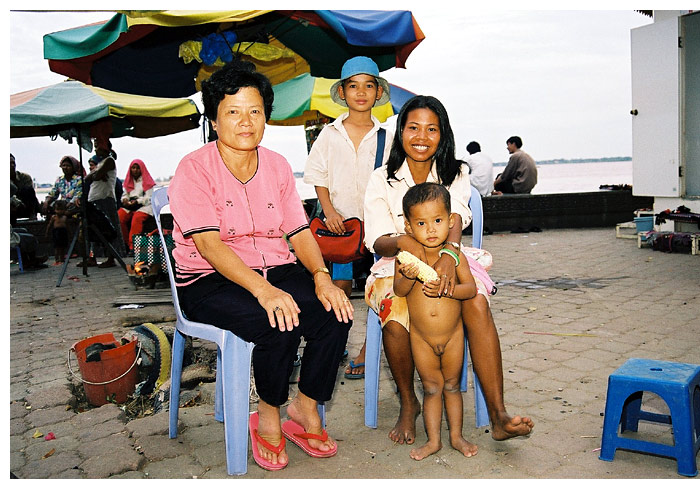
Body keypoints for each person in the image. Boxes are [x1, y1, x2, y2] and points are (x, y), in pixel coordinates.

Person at [168, 58, 353, 471]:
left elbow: (299, 231)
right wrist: (263, 290)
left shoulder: (276, 166)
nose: (245, 121)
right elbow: (210, 246)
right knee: (277, 321)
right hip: (208, 279)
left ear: (266, 116)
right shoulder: (194, 169)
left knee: (335, 312)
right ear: (215, 121)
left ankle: (305, 409)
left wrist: (322, 278)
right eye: (232, 112)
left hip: (276, 268)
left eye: (254, 111)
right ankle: (267, 414)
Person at [364, 95, 534, 445]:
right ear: (401, 132)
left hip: (451, 255)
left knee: (477, 303)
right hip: (396, 265)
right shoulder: (382, 179)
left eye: (432, 129)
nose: (422, 136)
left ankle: (499, 414)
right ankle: (408, 404)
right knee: (395, 317)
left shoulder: (456, 172)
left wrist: (449, 255)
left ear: (443, 135)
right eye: (413, 127)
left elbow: (455, 218)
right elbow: (378, 240)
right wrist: (407, 245)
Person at [303, 56, 393, 380]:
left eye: (368, 85)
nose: (361, 92)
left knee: (379, 284)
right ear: (342, 92)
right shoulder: (329, 134)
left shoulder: (386, 136)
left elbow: (391, 180)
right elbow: (318, 176)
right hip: (339, 227)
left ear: (377, 92)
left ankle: (369, 348)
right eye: (353, 85)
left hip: (377, 227)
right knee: (339, 285)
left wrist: (382, 217)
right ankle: (334, 341)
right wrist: (329, 212)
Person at [394, 182, 479, 461]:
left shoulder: (454, 259)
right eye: (421, 223)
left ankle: (456, 436)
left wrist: (451, 289)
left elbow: (471, 290)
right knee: (431, 388)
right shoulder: (406, 258)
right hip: (421, 338)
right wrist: (408, 273)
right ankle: (433, 441)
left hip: (453, 335)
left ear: (451, 221)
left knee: (452, 387)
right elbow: (400, 291)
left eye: (438, 221)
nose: (431, 230)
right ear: (409, 227)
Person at [82, 143, 123, 268]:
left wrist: (96, 174)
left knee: (110, 228)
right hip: (95, 197)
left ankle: (112, 257)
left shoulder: (109, 161)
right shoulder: (101, 163)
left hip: (105, 198)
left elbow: (95, 176)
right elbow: (88, 177)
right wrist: (96, 174)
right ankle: (92, 257)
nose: (95, 149)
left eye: (97, 146)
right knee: (93, 228)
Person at [117, 159, 155, 253]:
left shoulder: (147, 181)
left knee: (137, 218)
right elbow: (125, 194)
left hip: (144, 206)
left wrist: (137, 201)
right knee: (119, 216)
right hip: (130, 206)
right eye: (133, 168)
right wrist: (125, 200)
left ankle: (133, 246)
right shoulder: (129, 180)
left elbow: (148, 197)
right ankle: (124, 243)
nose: (135, 170)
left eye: (138, 168)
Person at [10, 154, 40, 223]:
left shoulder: (25, 177)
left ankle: (32, 215)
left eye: (13, 163)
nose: (12, 165)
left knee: (28, 190)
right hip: (11, 206)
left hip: (24, 204)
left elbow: (30, 194)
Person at [45, 199, 72, 265]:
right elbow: (49, 225)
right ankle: (57, 259)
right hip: (56, 232)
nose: (59, 211)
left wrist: (70, 233)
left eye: (61, 209)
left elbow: (67, 226)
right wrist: (47, 233)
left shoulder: (65, 217)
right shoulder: (54, 217)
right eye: (58, 209)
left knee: (63, 247)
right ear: (55, 210)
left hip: (63, 232)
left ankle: (62, 258)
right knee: (57, 247)